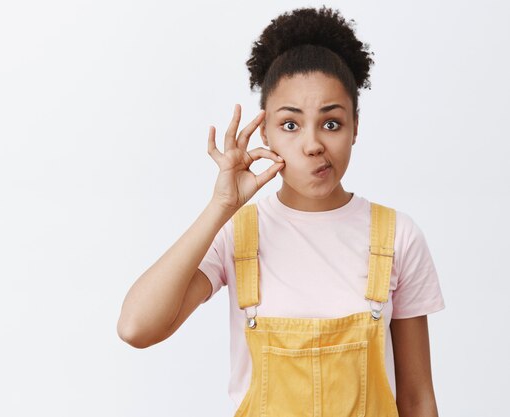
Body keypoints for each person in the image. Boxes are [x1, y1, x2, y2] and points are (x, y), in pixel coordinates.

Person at [117, 6, 445, 417]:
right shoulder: (239, 233)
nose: (312, 144)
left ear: (355, 127)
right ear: (266, 131)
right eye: (291, 124)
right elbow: (136, 328)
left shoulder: (398, 236)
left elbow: (416, 399)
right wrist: (221, 207)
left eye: (331, 124)